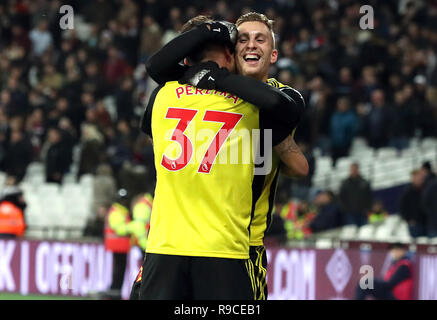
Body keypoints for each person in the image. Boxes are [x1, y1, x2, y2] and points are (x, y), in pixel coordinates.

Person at [138, 16, 306, 300]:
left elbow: (298, 162)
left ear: (274, 54)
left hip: (226, 243)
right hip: (221, 247)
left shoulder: (167, 94)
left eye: (260, 39)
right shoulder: (239, 103)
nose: (251, 45)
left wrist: (213, 74)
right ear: (232, 52)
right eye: (243, 39)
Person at [101, 188, 132, 300]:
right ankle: (115, 291)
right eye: (123, 199)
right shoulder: (117, 212)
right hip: (118, 245)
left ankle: (116, 291)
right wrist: (133, 226)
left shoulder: (120, 211)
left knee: (120, 269)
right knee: (119, 269)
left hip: (120, 246)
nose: (124, 202)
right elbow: (120, 230)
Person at [339, 162, 373, 227]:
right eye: (352, 169)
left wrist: (367, 208)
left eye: (355, 169)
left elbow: (369, 196)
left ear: (358, 169)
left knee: (364, 229)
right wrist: (345, 209)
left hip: (362, 212)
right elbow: (341, 197)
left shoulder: (364, 182)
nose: (353, 171)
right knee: (352, 230)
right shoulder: (345, 183)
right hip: (350, 213)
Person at [399, 169, 427, 237]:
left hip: (427, 222)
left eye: (419, 177)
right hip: (415, 224)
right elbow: (402, 207)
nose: (418, 179)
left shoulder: (426, 189)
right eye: (415, 177)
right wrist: (408, 219)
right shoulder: (407, 192)